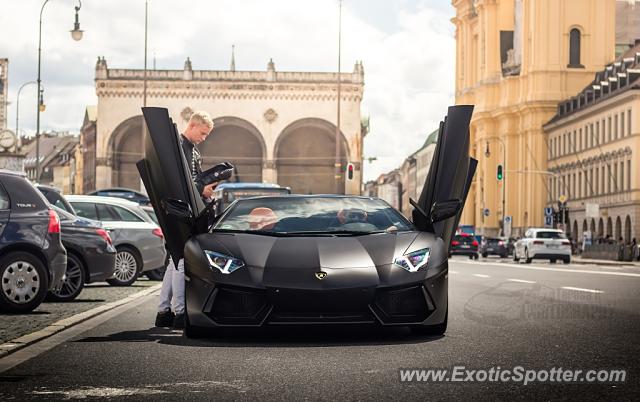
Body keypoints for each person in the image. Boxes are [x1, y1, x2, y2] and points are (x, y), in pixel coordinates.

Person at [155, 111, 217, 329]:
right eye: (203, 133)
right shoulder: (180, 148)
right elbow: (184, 183)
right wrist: (203, 190)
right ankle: (180, 313)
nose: (204, 138)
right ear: (192, 126)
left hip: (180, 210)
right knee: (181, 261)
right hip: (180, 212)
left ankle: (164, 311)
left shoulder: (190, 150)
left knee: (175, 261)